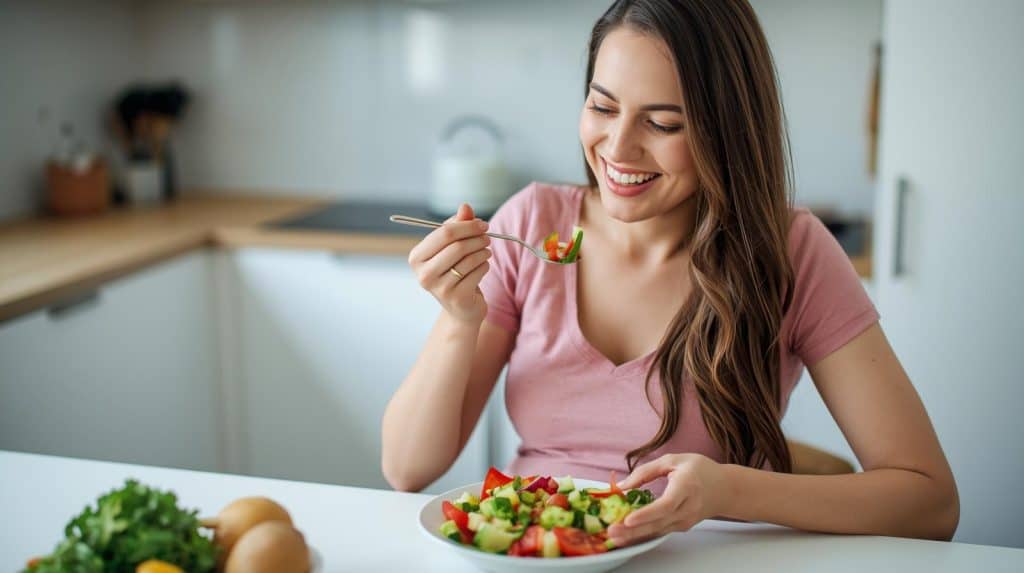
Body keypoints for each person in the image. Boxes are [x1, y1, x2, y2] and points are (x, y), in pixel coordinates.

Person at [382, 0, 959, 545]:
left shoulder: (790, 250)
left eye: (662, 124)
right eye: (602, 107)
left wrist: (731, 489)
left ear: (726, 130)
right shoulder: (531, 224)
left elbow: (930, 504)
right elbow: (407, 468)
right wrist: (460, 320)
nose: (618, 148)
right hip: (538, 549)